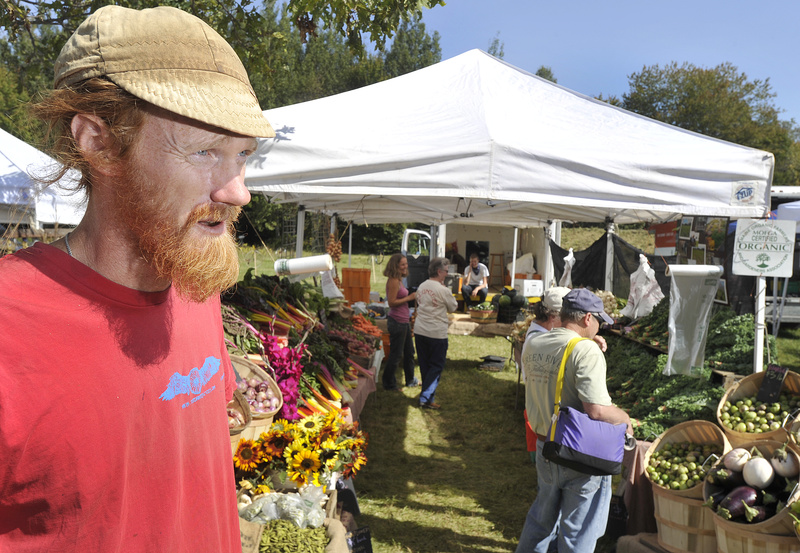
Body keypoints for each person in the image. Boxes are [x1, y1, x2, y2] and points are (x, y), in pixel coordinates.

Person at [0, 6, 274, 552]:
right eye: (204, 150)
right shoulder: (10, 325)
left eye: (243, 155)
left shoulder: (194, 283)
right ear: (97, 142)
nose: (238, 191)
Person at [516, 289, 632, 553]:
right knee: (578, 532)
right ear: (587, 318)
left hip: (546, 447)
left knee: (541, 521)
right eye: (599, 321)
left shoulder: (533, 341)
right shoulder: (585, 351)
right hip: (579, 455)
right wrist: (624, 417)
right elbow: (598, 411)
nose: (599, 327)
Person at [413, 257, 458, 409]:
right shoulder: (443, 289)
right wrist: (445, 289)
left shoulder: (421, 286)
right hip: (436, 332)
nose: (447, 274)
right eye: (446, 271)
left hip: (420, 330)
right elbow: (453, 307)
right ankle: (425, 398)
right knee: (437, 365)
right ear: (439, 271)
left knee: (425, 365)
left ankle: (428, 398)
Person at [381, 253, 419, 391]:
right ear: (395, 266)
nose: (405, 266)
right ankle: (388, 383)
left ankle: (410, 380)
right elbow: (391, 302)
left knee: (409, 352)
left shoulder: (399, 279)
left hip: (403, 321)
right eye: (402, 264)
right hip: (397, 322)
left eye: (406, 263)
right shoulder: (393, 281)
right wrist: (409, 298)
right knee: (396, 355)